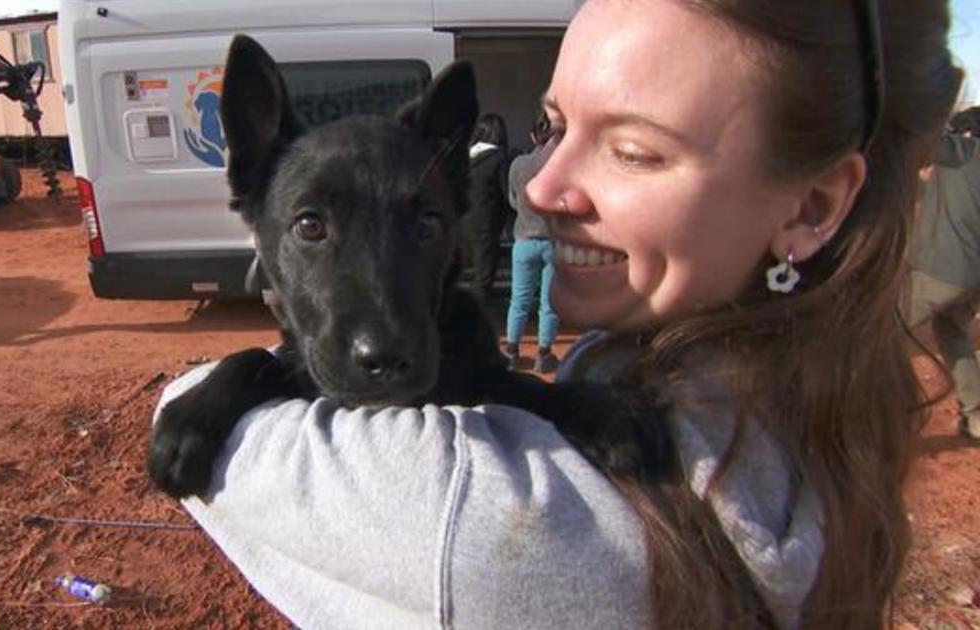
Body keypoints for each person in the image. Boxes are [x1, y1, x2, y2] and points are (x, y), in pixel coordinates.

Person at [154, 1, 960, 628]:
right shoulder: (817, 399)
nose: (537, 188)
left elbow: (179, 424)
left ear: (812, 204)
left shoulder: (489, 515)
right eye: (557, 126)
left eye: (636, 150)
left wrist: (243, 373)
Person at [907, 118, 980, 441]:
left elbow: (916, 137)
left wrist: (944, 126)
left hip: (942, 273)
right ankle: (977, 418)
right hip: (974, 281)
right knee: (952, 333)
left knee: (874, 329)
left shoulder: (964, 152)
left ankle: (856, 418)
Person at [504, 114, 560, 373]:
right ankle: (544, 354)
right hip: (555, 240)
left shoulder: (518, 164)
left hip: (524, 238)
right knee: (549, 302)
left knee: (519, 299)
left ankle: (512, 350)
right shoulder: (561, 164)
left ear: (532, 136)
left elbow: (513, 201)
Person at [461, 113, 512, 302]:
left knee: (467, 275)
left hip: (463, 224)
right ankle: (471, 320)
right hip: (486, 226)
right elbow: (507, 194)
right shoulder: (499, 159)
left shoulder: (466, 159)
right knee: (484, 277)